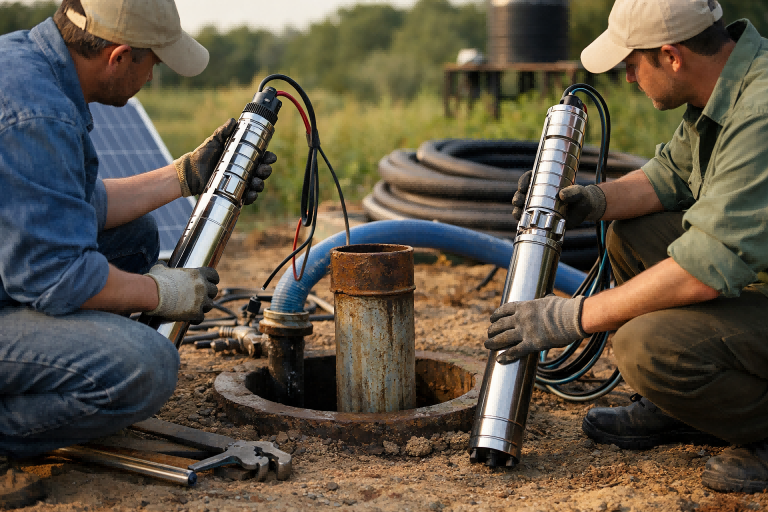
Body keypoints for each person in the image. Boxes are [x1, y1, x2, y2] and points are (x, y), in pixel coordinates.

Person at [486, 0, 768, 494]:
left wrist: (567, 317)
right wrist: (592, 200)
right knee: (633, 230)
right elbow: (669, 176)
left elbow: (702, 269)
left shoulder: (760, 112)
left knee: (643, 347)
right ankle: (687, 406)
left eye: (632, 64)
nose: (631, 79)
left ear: (672, 56)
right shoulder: (724, 85)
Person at [0, 0, 275, 503]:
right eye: (154, 61)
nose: (153, 75)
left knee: (136, 237)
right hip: (34, 276)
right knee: (146, 366)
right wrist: (161, 291)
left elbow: (75, 206)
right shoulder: (38, 115)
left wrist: (185, 175)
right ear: (120, 56)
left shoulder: (25, 66)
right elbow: (56, 276)